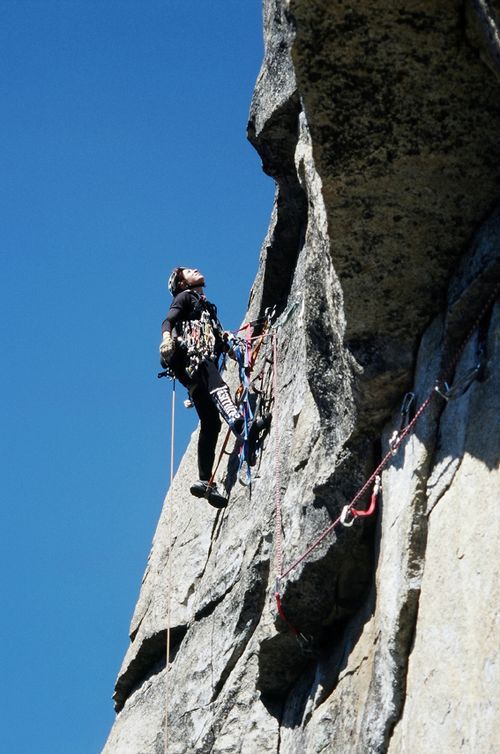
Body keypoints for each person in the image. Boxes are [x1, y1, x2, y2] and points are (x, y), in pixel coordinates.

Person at [159, 267, 244, 508]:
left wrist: (232, 348)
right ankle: (237, 420)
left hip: (194, 371)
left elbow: (217, 336)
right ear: (182, 283)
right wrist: (166, 339)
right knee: (215, 380)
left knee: (210, 422)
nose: (195, 269)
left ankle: (205, 480)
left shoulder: (207, 308)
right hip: (194, 356)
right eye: (188, 271)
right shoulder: (185, 298)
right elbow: (169, 320)